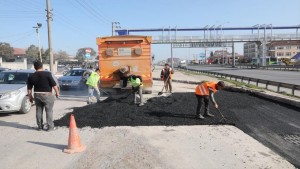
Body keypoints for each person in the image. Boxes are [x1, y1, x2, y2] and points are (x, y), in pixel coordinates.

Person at [27, 60, 60, 131]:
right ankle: (50, 127)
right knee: (49, 111)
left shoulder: (31, 76)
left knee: (38, 110)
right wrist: (57, 93)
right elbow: (54, 85)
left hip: (37, 95)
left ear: (34, 67)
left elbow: (29, 88)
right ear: (42, 66)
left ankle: (40, 127)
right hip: (47, 95)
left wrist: (30, 97)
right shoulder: (47, 74)